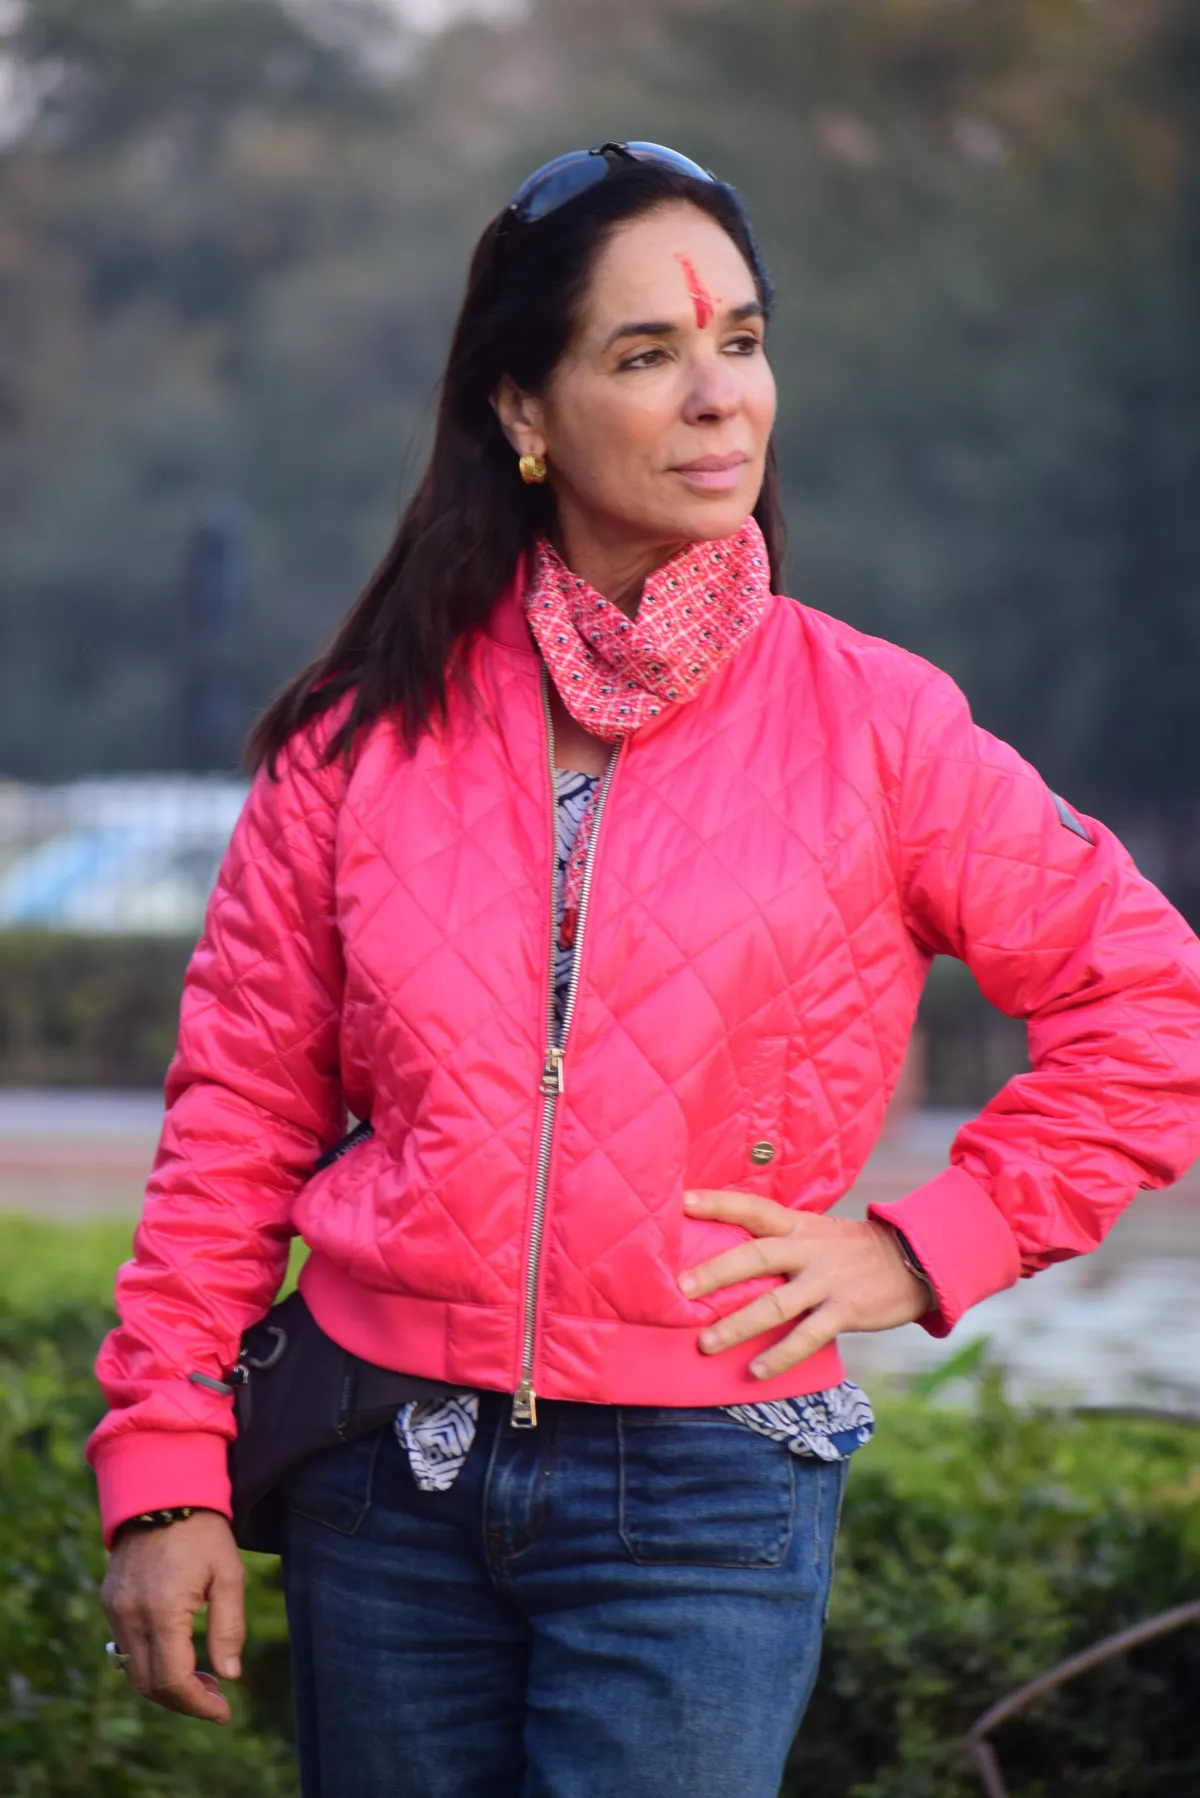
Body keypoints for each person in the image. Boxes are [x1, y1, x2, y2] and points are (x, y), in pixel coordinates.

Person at [93, 142, 1200, 1798]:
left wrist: (927, 1245)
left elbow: (1154, 1001)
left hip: (707, 1497)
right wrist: (169, 1465)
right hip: (385, 1484)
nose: (719, 396)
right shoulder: (359, 738)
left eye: (741, 341)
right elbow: (236, 1121)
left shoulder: (881, 726)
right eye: (647, 353)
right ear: (521, 410)